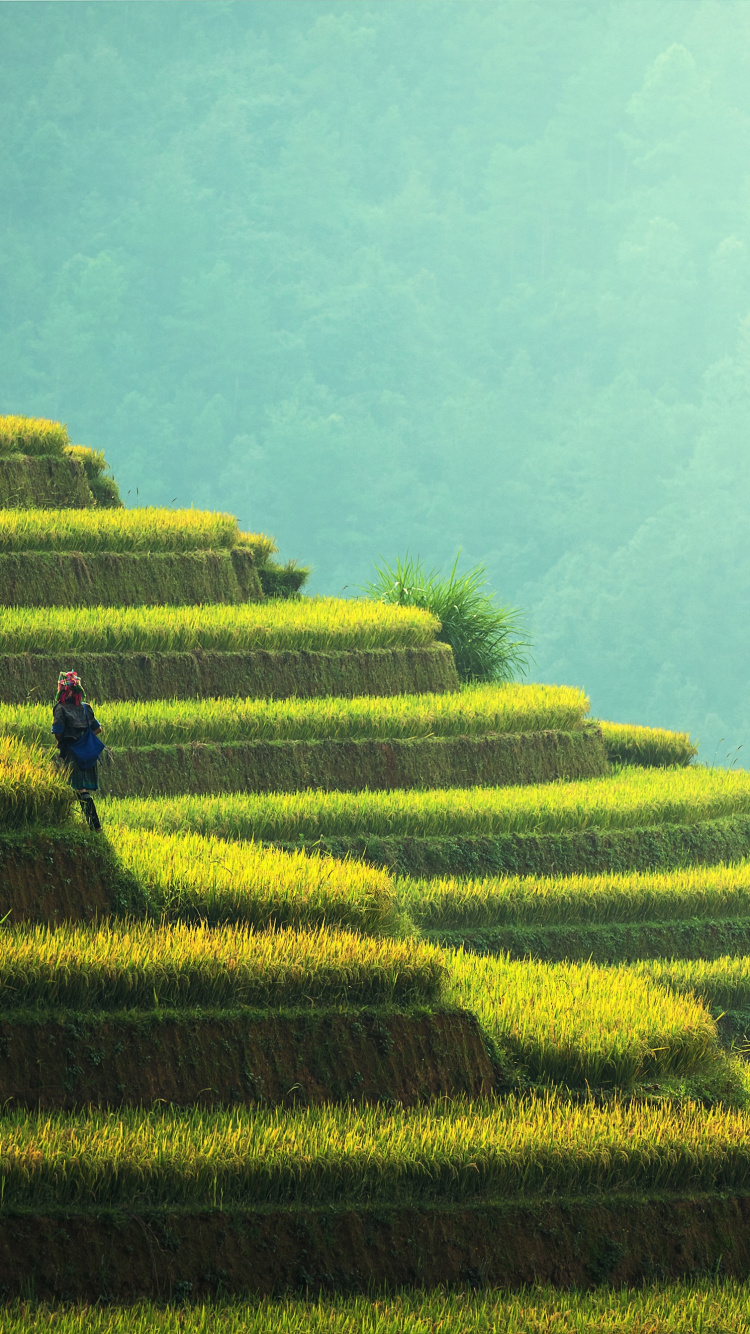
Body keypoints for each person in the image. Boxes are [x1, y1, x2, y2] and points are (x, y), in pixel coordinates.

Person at [51, 670, 104, 831]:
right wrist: (84, 740)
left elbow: (58, 732)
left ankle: (94, 826)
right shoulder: (85, 708)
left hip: (73, 754)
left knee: (78, 789)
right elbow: (98, 729)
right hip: (87, 754)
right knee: (76, 788)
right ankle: (72, 823)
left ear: (62, 691)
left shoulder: (60, 709)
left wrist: (61, 743)